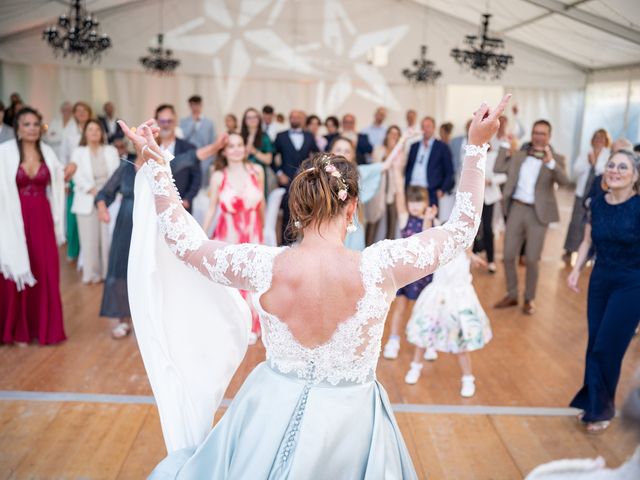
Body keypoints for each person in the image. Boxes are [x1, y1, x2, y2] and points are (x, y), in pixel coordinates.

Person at [119, 94, 509, 479]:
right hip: (351, 425)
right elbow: (461, 230)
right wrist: (476, 145)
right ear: (351, 206)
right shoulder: (382, 266)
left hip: (264, 412)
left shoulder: (262, 265)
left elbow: (185, 245)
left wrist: (156, 165)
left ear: (298, 207)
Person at [567, 149, 640, 434]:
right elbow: (587, 242)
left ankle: (602, 409)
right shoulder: (596, 204)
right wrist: (576, 269)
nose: (616, 170)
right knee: (594, 343)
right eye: (612, 165)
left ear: (635, 176)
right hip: (600, 280)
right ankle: (592, 402)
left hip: (632, 283)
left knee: (607, 347)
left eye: (623, 167)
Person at [0, 107, 66, 345]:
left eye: (36, 124)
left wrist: (65, 174)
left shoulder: (48, 152)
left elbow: (57, 180)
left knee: (45, 269)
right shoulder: (4, 153)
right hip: (13, 219)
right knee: (15, 268)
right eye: (27, 124)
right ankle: (18, 330)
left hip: (42, 218)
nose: (32, 129)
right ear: (18, 127)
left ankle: (44, 328)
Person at [494, 120, 569, 315]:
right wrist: (504, 143)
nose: (538, 136)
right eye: (536, 132)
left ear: (549, 137)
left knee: (532, 259)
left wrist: (551, 163)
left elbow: (565, 181)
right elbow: (498, 167)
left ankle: (529, 298)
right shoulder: (520, 155)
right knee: (509, 255)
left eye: (543, 133)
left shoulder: (556, 158)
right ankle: (511, 294)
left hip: (538, 213)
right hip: (517, 208)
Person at [202, 133, 265, 344]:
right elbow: (212, 209)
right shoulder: (218, 176)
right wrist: (200, 235)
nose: (236, 149)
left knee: (250, 279)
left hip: (253, 233)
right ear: (224, 150)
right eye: (231, 146)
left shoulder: (257, 171)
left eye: (240, 145)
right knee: (230, 280)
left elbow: (261, 204)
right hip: (228, 235)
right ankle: (232, 324)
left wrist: (262, 232)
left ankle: (252, 324)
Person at [404, 247, 492, 397]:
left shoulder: (465, 247)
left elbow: (468, 248)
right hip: (438, 295)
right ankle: (415, 366)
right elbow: (427, 236)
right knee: (425, 332)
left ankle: (467, 378)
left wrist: (472, 256)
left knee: (460, 339)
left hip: (459, 298)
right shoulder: (441, 243)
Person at [382, 182, 437, 361]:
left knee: (424, 310)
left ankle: (428, 343)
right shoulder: (405, 218)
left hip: (423, 275)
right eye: (412, 201)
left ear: (426, 203)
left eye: (419, 201)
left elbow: (426, 237)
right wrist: (397, 170)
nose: (414, 205)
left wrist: (429, 218)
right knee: (400, 306)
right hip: (406, 273)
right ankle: (394, 340)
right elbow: (399, 194)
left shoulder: (432, 221)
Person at [95, 138, 138, 339]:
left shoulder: (162, 165)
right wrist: (102, 208)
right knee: (122, 269)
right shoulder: (127, 167)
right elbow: (105, 192)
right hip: (127, 224)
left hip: (153, 226)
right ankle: (123, 319)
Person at [330, 135, 403, 251]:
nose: (342, 153)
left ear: (353, 155)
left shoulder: (359, 173)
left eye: (347, 151)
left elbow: (386, 164)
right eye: (338, 149)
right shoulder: (322, 175)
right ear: (331, 152)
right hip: (329, 227)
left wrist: (403, 139)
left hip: (352, 229)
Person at [71, 119, 120, 284]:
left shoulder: (110, 150)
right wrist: (94, 191)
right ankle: (91, 274)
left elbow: (116, 174)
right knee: (88, 240)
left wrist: (105, 194)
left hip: (108, 199)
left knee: (107, 239)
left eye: (97, 130)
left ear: (102, 133)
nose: (94, 132)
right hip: (86, 197)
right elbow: (76, 175)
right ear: (85, 133)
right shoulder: (78, 152)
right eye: (90, 129)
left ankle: (108, 274)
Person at [563, 129, 611, 263]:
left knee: (592, 224)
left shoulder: (608, 155)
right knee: (576, 222)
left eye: (602, 138)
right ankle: (569, 250)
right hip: (581, 193)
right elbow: (576, 170)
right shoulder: (585, 152)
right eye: (596, 137)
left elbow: (603, 173)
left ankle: (589, 254)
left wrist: (595, 163)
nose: (598, 140)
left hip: (597, 195)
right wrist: (588, 162)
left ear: (606, 141)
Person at [273, 110, 319, 244]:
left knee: (307, 211)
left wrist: (312, 172)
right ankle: (286, 245)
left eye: (297, 117)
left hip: (306, 181)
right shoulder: (280, 136)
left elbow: (317, 155)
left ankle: (306, 244)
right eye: (292, 117)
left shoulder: (309, 136)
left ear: (303, 119)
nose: (294, 119)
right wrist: (279, 173)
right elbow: (271, 158)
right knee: (288, 213)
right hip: (286, 180)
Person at [60, 101, 93, 261]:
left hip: (92, 178)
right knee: (73, 217)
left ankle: (88, 252)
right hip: (74, 178)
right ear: (73, 114)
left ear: (89, 112)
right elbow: (63, 157)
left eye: (84, 110)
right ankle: (73, 250)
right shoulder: (68, 132)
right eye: (78, 111)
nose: (81, 113)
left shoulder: (95, 129)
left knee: (90, 216)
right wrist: (65, 181)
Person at [156, 104, 203, 214]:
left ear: (175, 122)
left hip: (181, 207)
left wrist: (187, 199)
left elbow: (197, 177)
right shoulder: (150, 148)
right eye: (162, 121)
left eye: (169, 121)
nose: (166, 125)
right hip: (155, 207)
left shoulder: (188, 148)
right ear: (157, 122)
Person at [404, 116, 454, 208]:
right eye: (423, 126)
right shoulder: (414, 146)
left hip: (431, 191)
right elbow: (408, 168)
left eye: (428, 126)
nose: (425, 129)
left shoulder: (442, 147)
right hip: (412, 189)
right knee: (412, 220)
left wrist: (443, 189)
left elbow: (449, 171)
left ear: (434, 128)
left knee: (430, 220)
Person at [364, 125, 402, 245]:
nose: (393, 136)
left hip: (393, 190)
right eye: (391, 133)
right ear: (387, 135)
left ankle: (388, 248)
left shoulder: (401, 152)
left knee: (392, 221)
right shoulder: (378, 148)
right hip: (378, 189)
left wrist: (394, 149)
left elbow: (402, 167)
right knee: (374, 219)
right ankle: (367, 246)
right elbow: (377, 165)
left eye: (396, 134)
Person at [473, 147, 507, 273]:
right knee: (473, 228)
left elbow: (504, 175)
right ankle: (473, 254)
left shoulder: (495, 155)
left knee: (488, 228)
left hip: (489, 197)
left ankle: (491, 260)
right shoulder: (472, 153)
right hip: (474, 196)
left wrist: (490, 181)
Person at [179, 95, 216, 187]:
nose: (195, 108)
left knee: (203, 187)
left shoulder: (209, 123)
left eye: (197, 105)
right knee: (187, 184)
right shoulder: (184, 121)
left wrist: (209, 161)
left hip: (205, 159)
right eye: (192, 105)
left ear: (201, 105)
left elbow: (212, 142)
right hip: (188, 157)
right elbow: (183, 138)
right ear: (189, 106)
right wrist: (193, 122)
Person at [240, 107, 274, 199]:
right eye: (249, 117)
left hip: (259, 176)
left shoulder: (265, 137)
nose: (252, 120)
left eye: (255, 117)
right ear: (244, 120)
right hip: (241, 175)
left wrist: (254, 151)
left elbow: (268, 160)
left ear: (259, 119)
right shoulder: (239, 137)